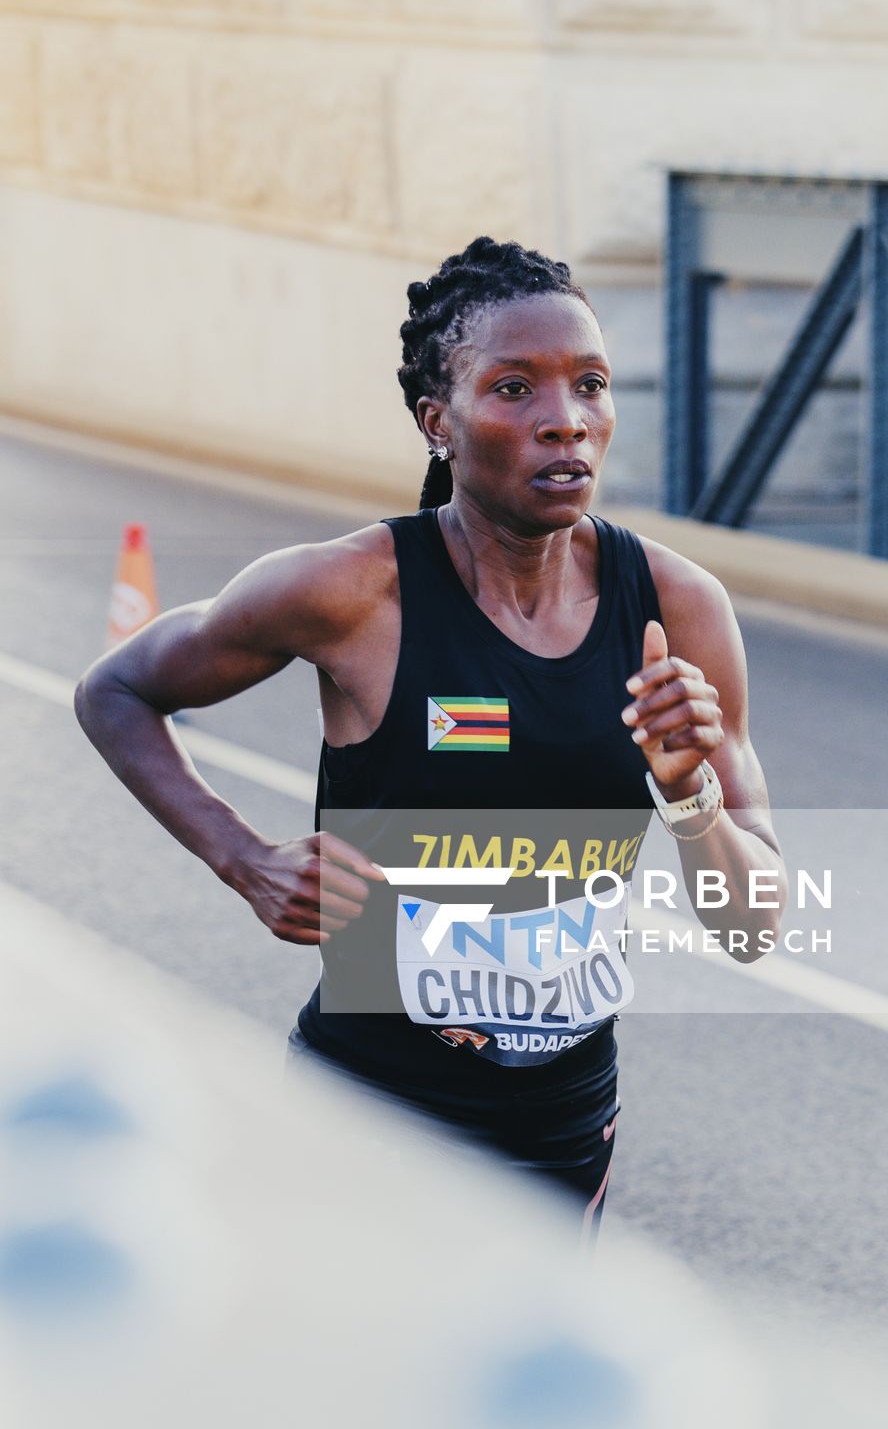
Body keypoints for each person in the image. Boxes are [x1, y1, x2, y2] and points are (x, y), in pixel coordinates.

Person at [73, 235, 786, 1239]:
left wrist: (687, 797)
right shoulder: (350, 594)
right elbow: (117, 691)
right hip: (364, 1116)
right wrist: (243, 859)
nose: (564, 421)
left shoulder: (677, 608)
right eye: (514, 389)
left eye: (589, 385)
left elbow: (752, 926)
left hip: (561, 1126)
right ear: (436, 422)